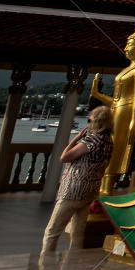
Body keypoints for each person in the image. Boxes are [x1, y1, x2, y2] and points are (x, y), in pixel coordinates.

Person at [41, 107, 113, 255]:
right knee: (77, 232)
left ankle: (46, 263)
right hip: (90, 189)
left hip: (74, 189)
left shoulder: (91, 140)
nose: (88, 124)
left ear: (96, 122)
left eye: (90, 120)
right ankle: (73, 262)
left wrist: (76, 138)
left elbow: (65, 157)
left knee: (52, 231)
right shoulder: (108, 141)